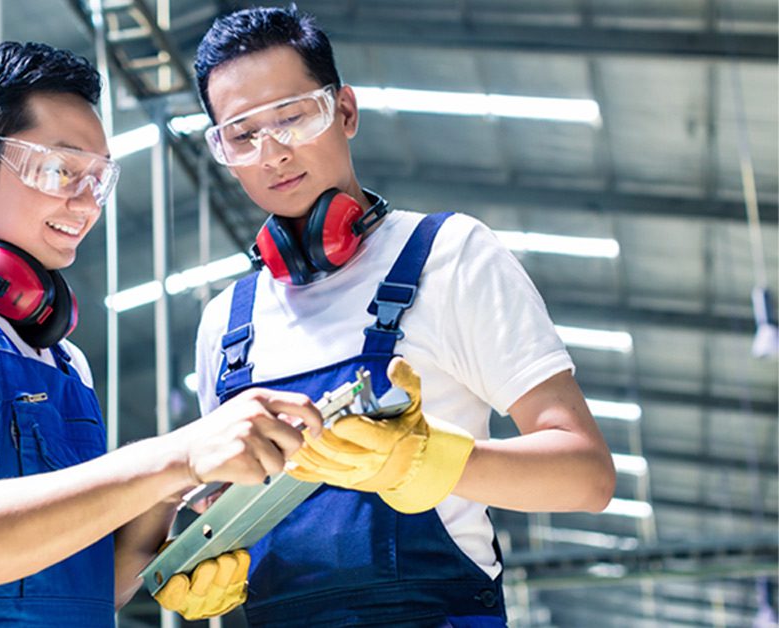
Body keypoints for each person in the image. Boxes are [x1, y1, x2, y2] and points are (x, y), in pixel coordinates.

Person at [0, 41, 323, 627]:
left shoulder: (63, 360)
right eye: (60, 169)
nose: (85, 205)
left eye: (98, 179)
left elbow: (76, 586)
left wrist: (170, 504)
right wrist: (176, 456)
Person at [188, 7, 617, 626]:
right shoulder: (227, 323)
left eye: (292, 117)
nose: (272, 153)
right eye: (242, 134)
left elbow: (587, 477)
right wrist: (204, 554)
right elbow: (232, 499)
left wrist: (431, 462)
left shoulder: (451, 256)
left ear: (346, 112)